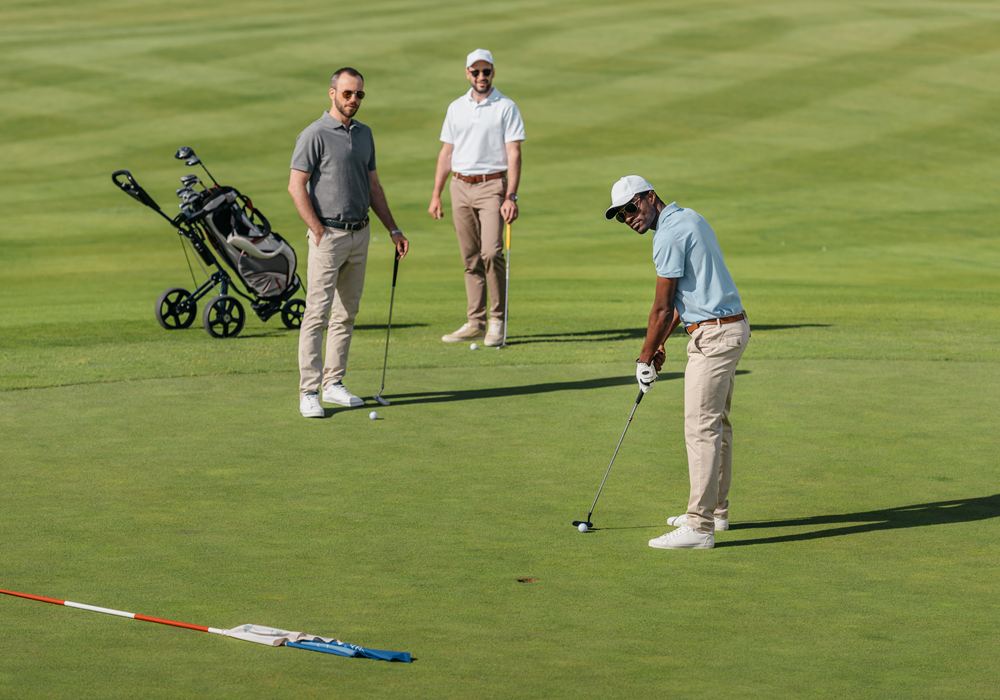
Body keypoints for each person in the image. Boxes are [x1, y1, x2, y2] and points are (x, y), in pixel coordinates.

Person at [604, 175, 750, 550]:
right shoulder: (689, 218)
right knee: (717, 425)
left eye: (631, 208)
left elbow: (661, 307)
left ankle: (700, 526)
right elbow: (684, 300)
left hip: (714, 336)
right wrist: (660, 344)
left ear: (650, 197)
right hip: (726, 328)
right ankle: (716, 512)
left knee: (701, 427)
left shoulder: (668, 235)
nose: (628, 218)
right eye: (620, 215)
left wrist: (644, 357)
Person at [289, 67, 409, 419]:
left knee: (346, 314)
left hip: (360, 233)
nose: (353, 99)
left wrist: (394, 229)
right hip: (328, 235)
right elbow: (296, 185)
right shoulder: (314, 134)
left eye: (359, 94)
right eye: (347, 93)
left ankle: (333, 383)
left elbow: (373, 187)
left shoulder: (364, 134)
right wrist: (317, 229)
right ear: (332, 93)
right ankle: (308, 391)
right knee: (317, 314)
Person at [429, 48, 525, 347]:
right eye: (476, 71)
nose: (481, 76)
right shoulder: (456, 107)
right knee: (470, 257)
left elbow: (514, 153)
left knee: (491, 252)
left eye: (486, 71)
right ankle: (475, 322)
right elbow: (446, 153)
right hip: (459, 185)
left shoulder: (506, 106)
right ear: (467, 73)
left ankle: (496, 320)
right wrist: (436, 194)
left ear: (493, 72)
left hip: (492, 185)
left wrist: (511, 196)